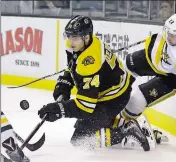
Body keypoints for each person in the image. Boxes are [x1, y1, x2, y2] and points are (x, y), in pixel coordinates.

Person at [37, 15, 150, 151]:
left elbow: (86, 106)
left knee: (80, 140)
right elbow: (74, 66)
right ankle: (123, 123)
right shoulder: (85, 44)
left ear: (86, 37)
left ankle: (126, 131)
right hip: (109, 91)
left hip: (114, 98)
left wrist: (59, 109)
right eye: (68, 36)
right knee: (84, 124)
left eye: (75, 38)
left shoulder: (91, 60)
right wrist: (63, 88)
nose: (70, 41)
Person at [116, 9, 176, 137]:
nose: (168, 38)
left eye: (173, 36)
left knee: (137, 101)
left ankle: (120, 125)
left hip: (171, 77)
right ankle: (107, 105)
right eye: (168, 33)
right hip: (153, 57)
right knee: (121, 69)